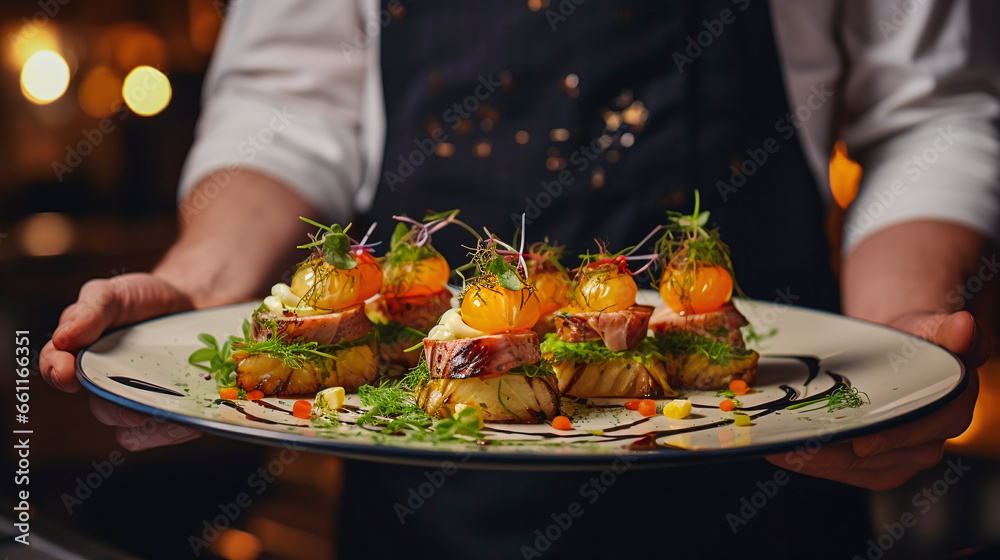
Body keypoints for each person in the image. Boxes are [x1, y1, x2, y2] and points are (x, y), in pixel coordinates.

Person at [41, 0, 996, 557]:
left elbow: (932, 106)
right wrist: (196, 280)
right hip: (426, 493)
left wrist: (895, 352)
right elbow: (286, 104)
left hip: (769, 468)